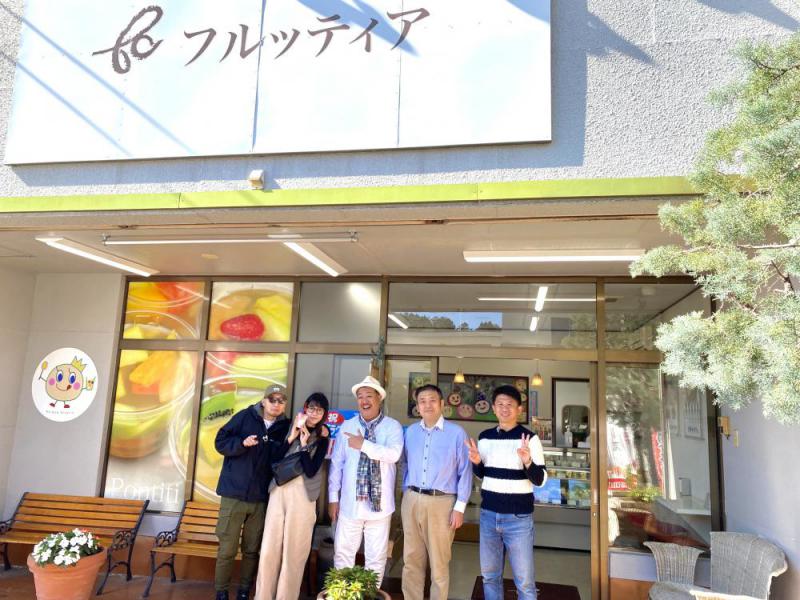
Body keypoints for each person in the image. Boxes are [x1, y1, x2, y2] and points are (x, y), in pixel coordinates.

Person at [465, 385, 547, 600]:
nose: (504, 408)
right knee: (490, 577)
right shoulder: (485, 437)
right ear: (493, 408)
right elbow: (483, 475)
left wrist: (527, 461)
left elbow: (540, 480)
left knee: (525, 582)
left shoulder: (530, 438)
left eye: (509, 404)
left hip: (518, 518)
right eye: (500, 404)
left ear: (519, 409)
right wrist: (476, 462)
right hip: (488, 515)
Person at [213, 385, 291, 600]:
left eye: (281, 401)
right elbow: (220, 442)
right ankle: (221, 592)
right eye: (272, 399)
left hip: (260, 498)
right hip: (233, 494)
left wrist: (323, 430)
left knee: (252, 550)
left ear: (285, 404)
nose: (276, 404)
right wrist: (241, 443)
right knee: (227, 549)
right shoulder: (245, 417)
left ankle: (244, 591)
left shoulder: (285, 426)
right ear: (264, 401)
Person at [328, 375, 404, 584]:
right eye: (360, 397)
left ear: (379, 398)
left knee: (376, 558)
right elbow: (337, 464)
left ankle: (370, 594)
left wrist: (363, 445)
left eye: (369, 396)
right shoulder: (347, 426)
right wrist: (333, 498)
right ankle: (342, 594)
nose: (364, 401)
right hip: (350, 504)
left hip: (380, 507)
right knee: (343, 554)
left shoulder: (392, 427)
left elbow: (393, 455)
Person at [254, 392, 331, 600]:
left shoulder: (323, 436)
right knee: (269, 549)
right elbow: (274, 459)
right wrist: (293, 437)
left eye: (319, 410)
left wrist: (305, 445)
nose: (314, 413)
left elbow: (312, 470)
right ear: (305, 408)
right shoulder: (290, 426)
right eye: (311, 408)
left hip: (303, 495)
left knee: (294, 552)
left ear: (324, 414)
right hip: (278, 490)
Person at [400, 384, 472, 600]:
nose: (427, 405)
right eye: (422, 401)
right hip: (412, 499)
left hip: (442, 503)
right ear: (417, 406)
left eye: (432, 400)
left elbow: (465, 471)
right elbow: (405, 464)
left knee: (439, 564)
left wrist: (459, 508)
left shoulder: (457, 433)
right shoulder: (411, 432)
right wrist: (406, 492)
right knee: (411, 560)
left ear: (441, 404)